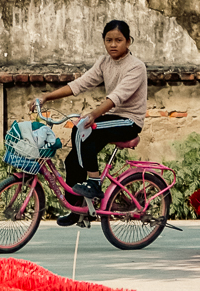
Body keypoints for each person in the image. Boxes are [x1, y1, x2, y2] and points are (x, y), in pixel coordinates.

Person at [32, 19, 148, 226]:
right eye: (108, 40)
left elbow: (117, 97)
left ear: (129, 42)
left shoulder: (136, 67)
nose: (113, 44)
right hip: (111, 119)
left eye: (118, 40)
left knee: (84, 127)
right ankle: (78, 210)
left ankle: (94, 183)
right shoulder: (104, 62)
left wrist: (93, 114)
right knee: (71, 161)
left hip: (129, 121)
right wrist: (47, 97)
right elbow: (80, 84)